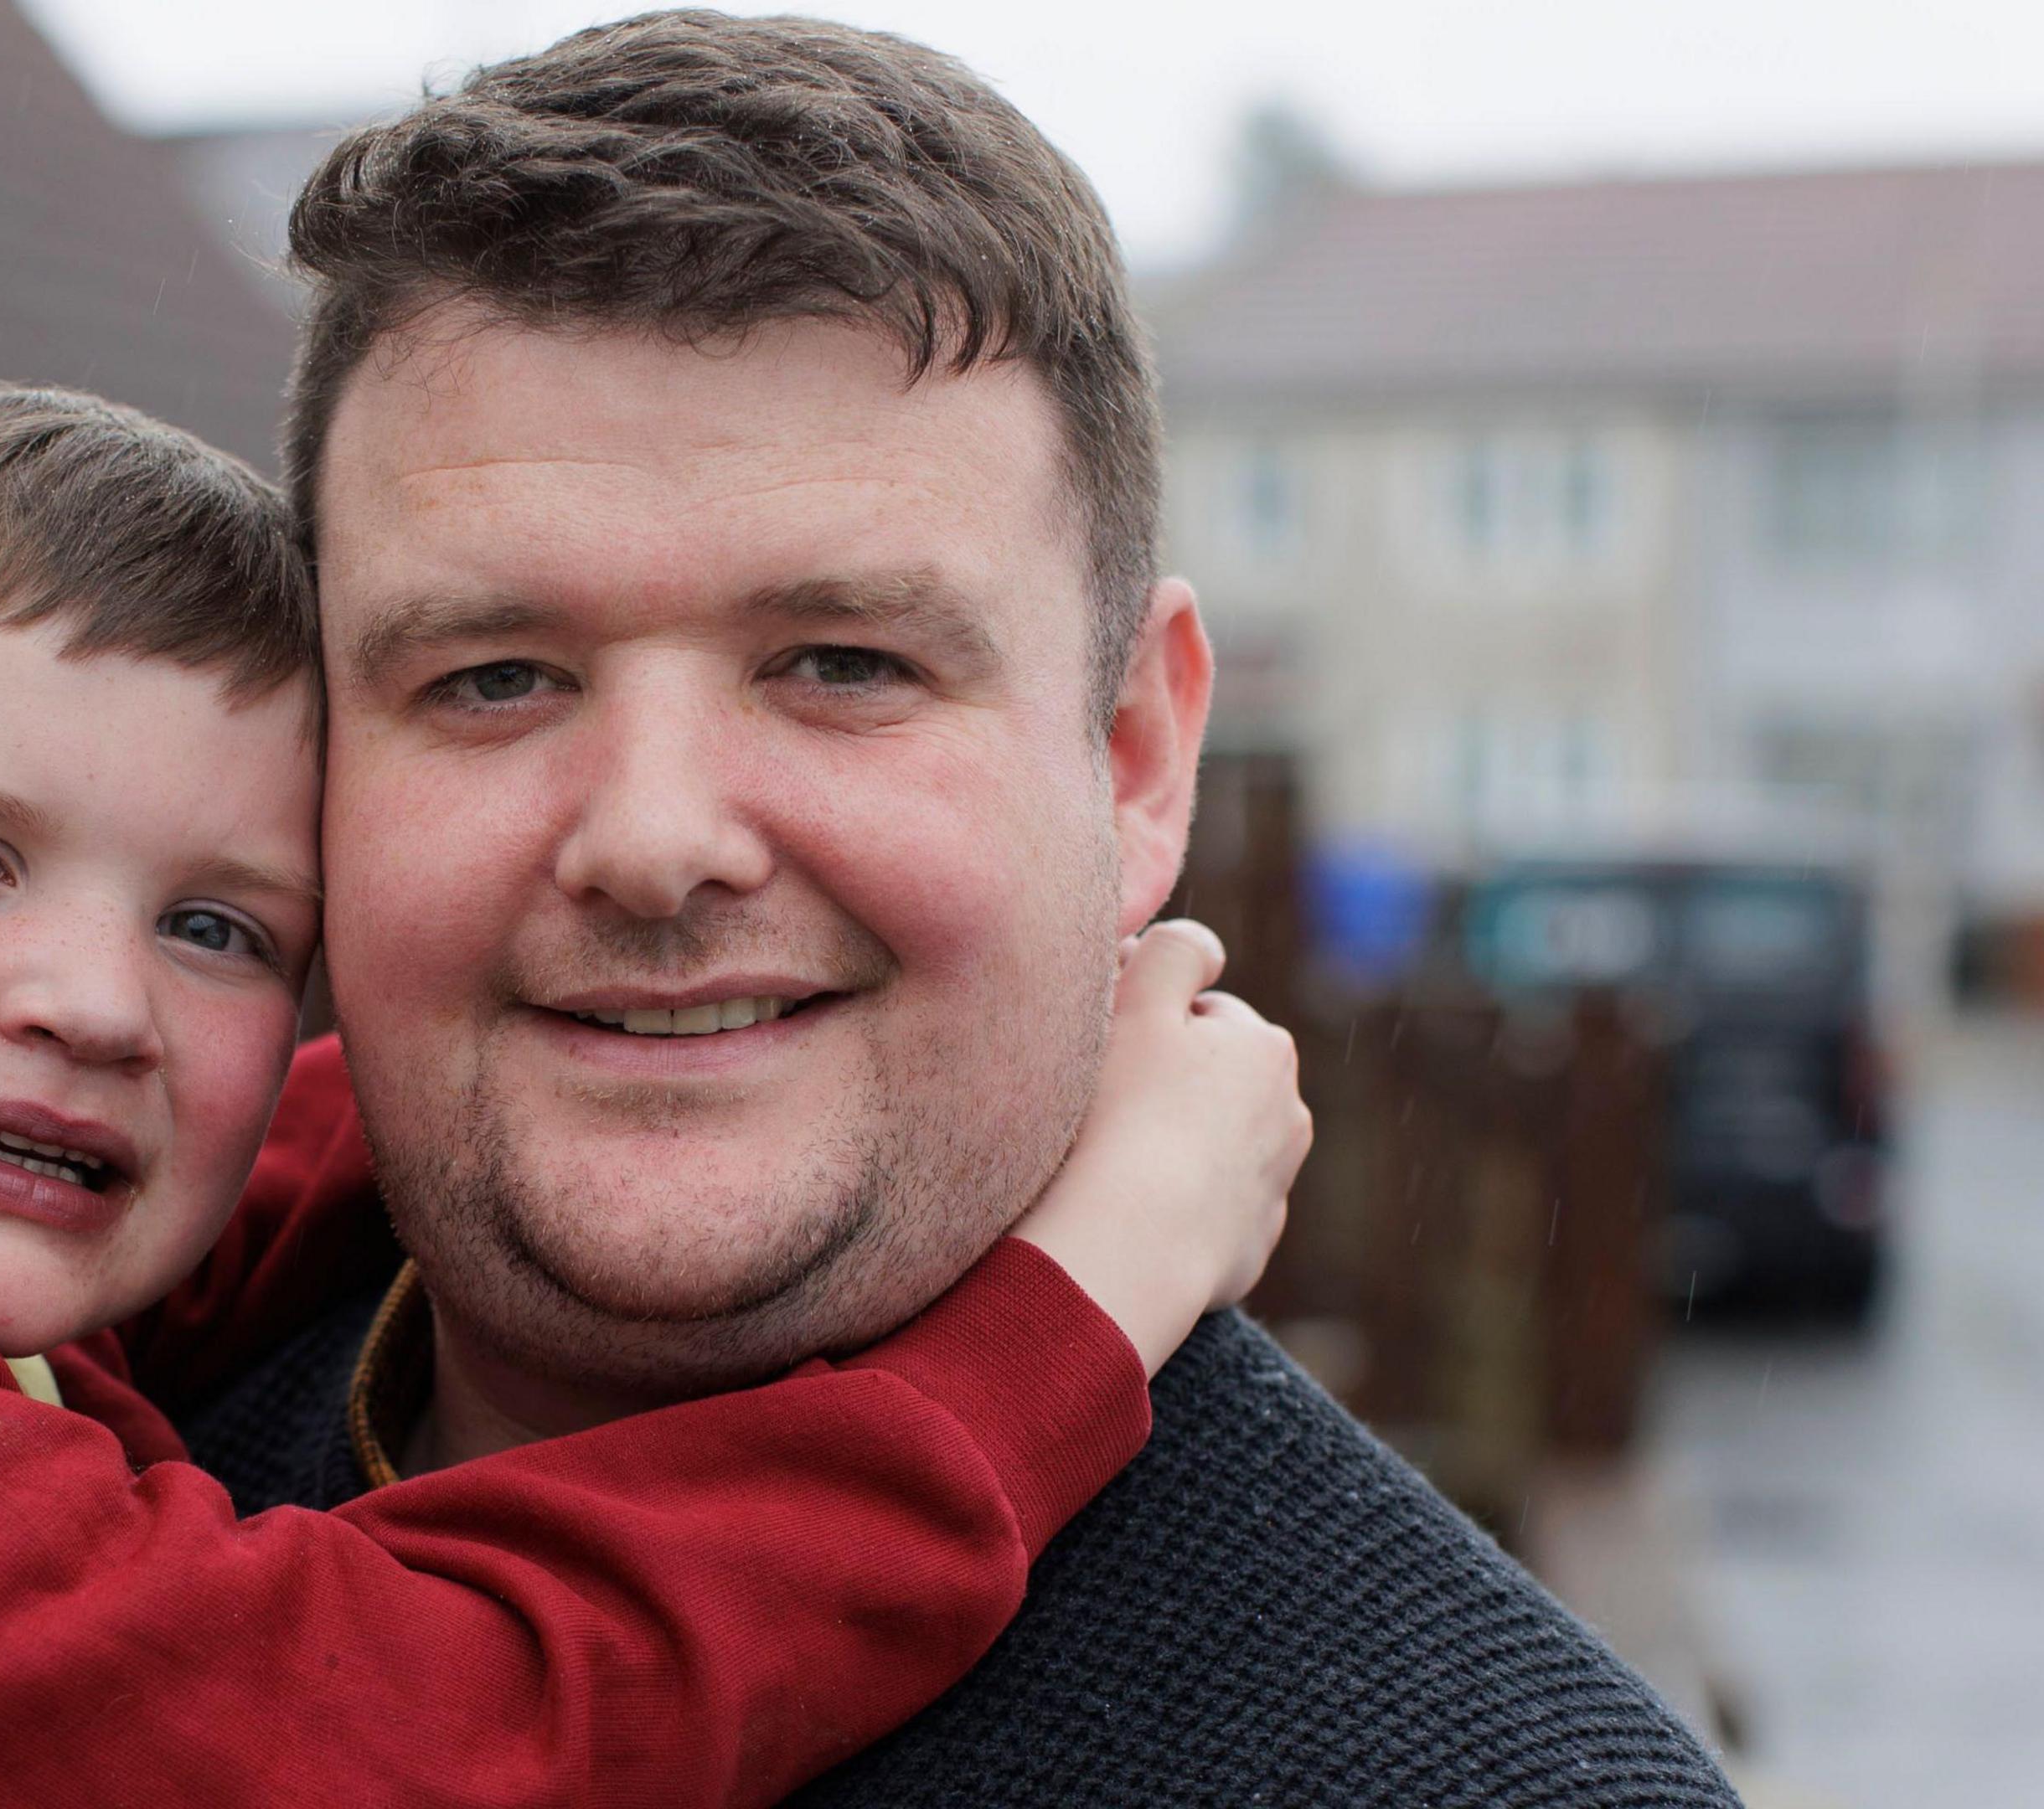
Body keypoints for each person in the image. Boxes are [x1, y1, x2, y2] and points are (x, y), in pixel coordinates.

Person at [0, 379, 1307, 1804]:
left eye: (219, 930)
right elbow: (444, 1727)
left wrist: (607, 1043)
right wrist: (1071, 1299)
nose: (89, 1005)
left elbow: (238, 1193)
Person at [176, 13, 1747, 1803]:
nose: (657, 839)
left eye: (842, 661)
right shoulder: (28, 1470)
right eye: (493, 676)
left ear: (1138, 755)